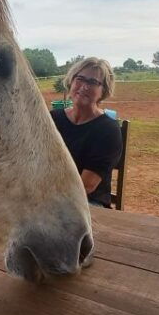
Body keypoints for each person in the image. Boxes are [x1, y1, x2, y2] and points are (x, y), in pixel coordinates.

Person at [51, 58, 123, 208]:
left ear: (103, 91)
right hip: (47, 196)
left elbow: (86, 186)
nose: (84, 86)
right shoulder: (52, 119)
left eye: (92, 82)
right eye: (80, 79)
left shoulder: (108, 130)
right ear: (71, 81)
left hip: (88, 202)